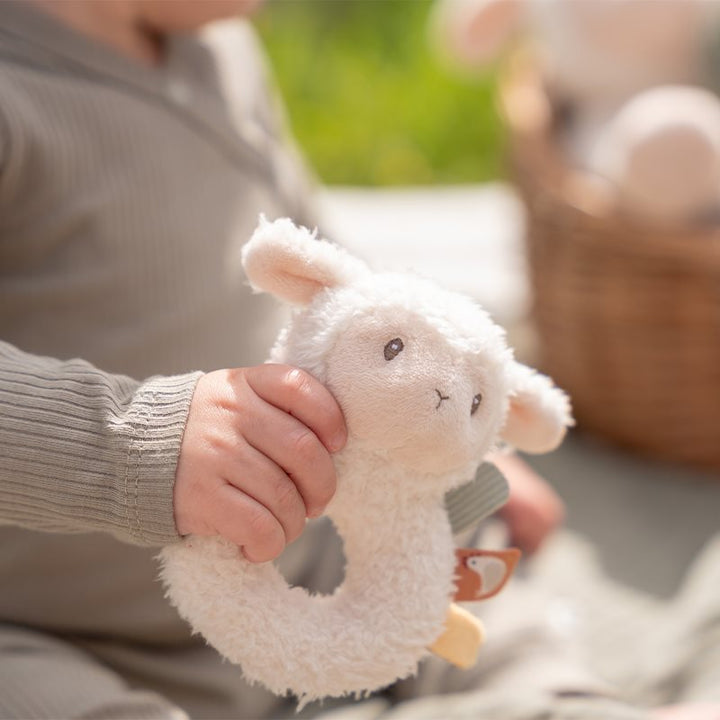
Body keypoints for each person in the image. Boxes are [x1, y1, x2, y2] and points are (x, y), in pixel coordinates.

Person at [0, 2, 647, 719]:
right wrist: (133, 443)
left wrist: (433, 438)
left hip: (311, 539)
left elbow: (328, 278)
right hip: (53, 626)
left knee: (480, 600)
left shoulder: (216, 36)